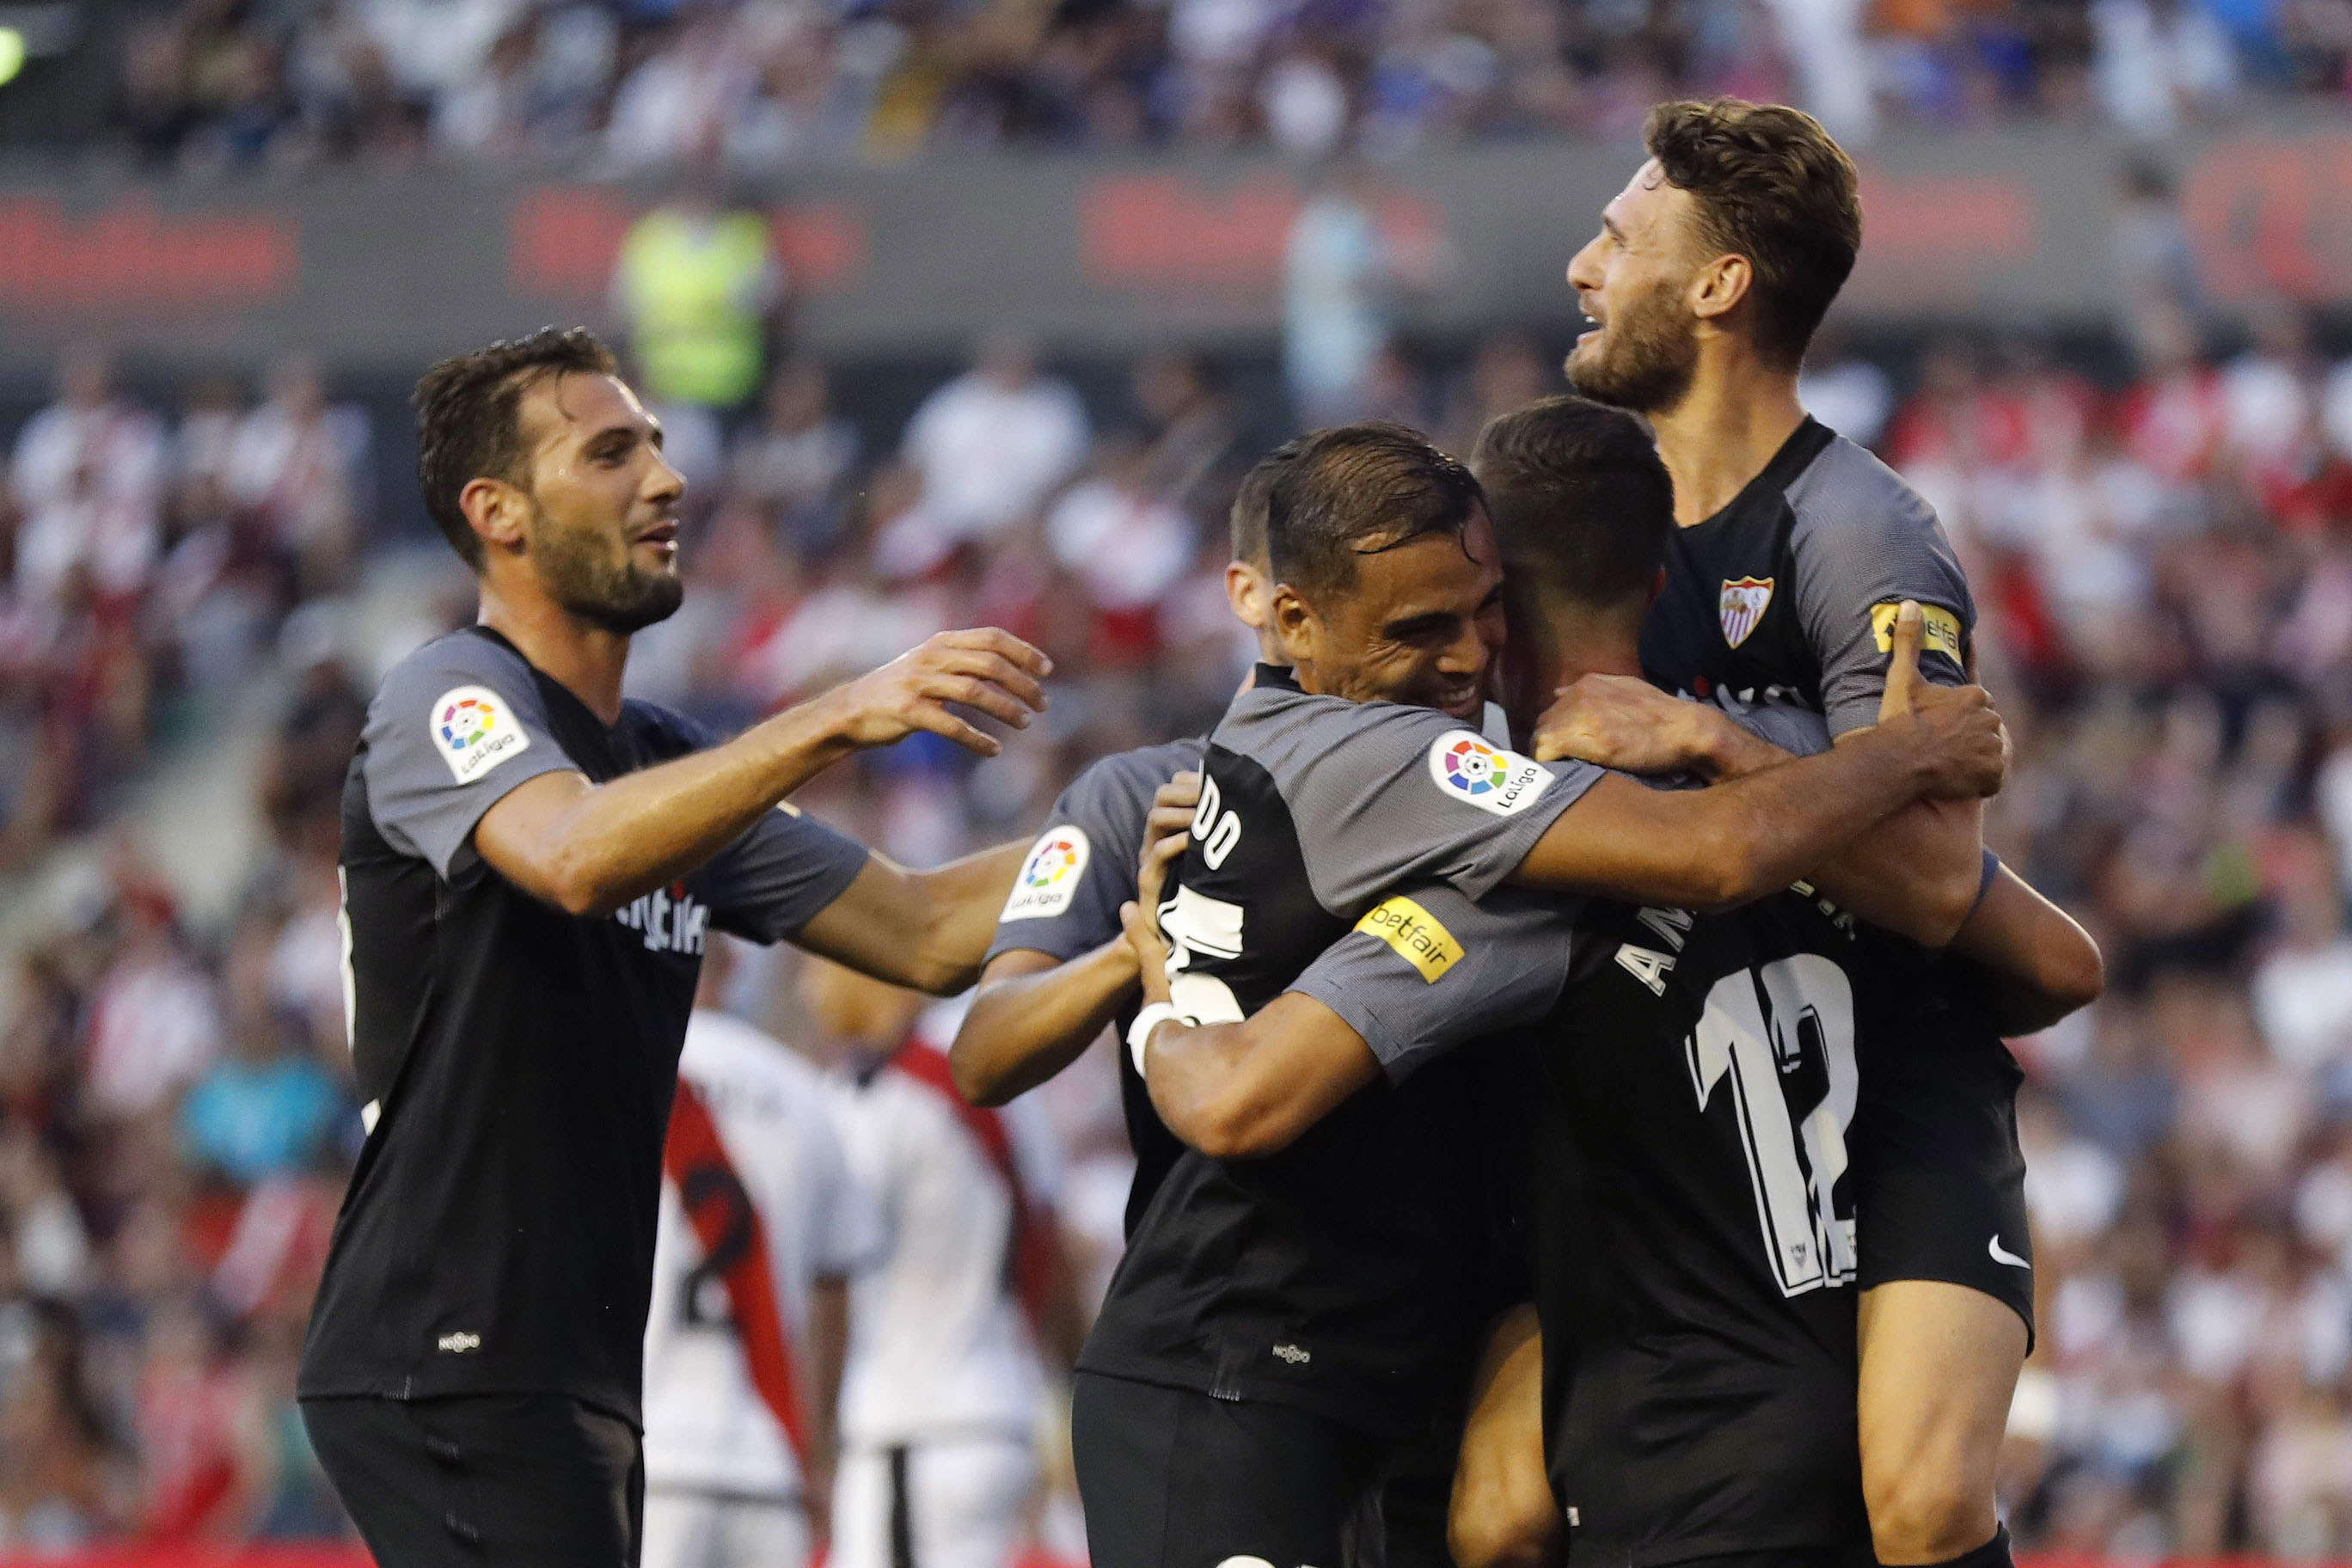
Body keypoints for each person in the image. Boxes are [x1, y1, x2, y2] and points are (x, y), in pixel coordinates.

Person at [1116, 398, 2103, 1568]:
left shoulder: (1509, 881)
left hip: (1664, 1447)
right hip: (1865, 1355)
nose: (1460, 657)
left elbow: (1241, 1094)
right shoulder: (1825, 787)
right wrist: (1894, 754)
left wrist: (1159, 1000)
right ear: (1656, 581)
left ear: (1497, 590)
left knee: (1490, 1515)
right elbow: (2060, 964)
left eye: (1470, 613)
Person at [294, 327, 1053, 1568]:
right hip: (449, 1349)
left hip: (576, 1371)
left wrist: (1158, 828)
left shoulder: (662, 763)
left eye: (654, 444)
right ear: (499, 513)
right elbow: (574, 855)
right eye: (610, 453)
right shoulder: (446, 695)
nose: (667, 477)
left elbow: (926, 931)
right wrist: (836, 716)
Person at [1561, 97, 2041, 1568]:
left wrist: (1711, 742)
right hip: (1682, 1077)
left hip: (1888, 1068)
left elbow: (1937, 879)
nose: (1582, 267)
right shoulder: (1577, 531)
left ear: (1718, 286)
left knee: (1922, 1499)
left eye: (1619, 238)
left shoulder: (1856, 530)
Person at [804, 958, 1077, 1568]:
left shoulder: (866, 1094)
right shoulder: (997, 1060)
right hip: (999, 1413)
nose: (807, 989)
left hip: (910, 1426)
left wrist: (814, 1444)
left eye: (814, 970)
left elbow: (829, 1282)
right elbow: (1052, 1247)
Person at [640, 937, 881, 1568]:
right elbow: (834, 1300)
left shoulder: (621, 1071)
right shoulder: (805, 1093)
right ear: (734, 968)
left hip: (650, 1459)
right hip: (769, 1464)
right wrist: (818, 1456)